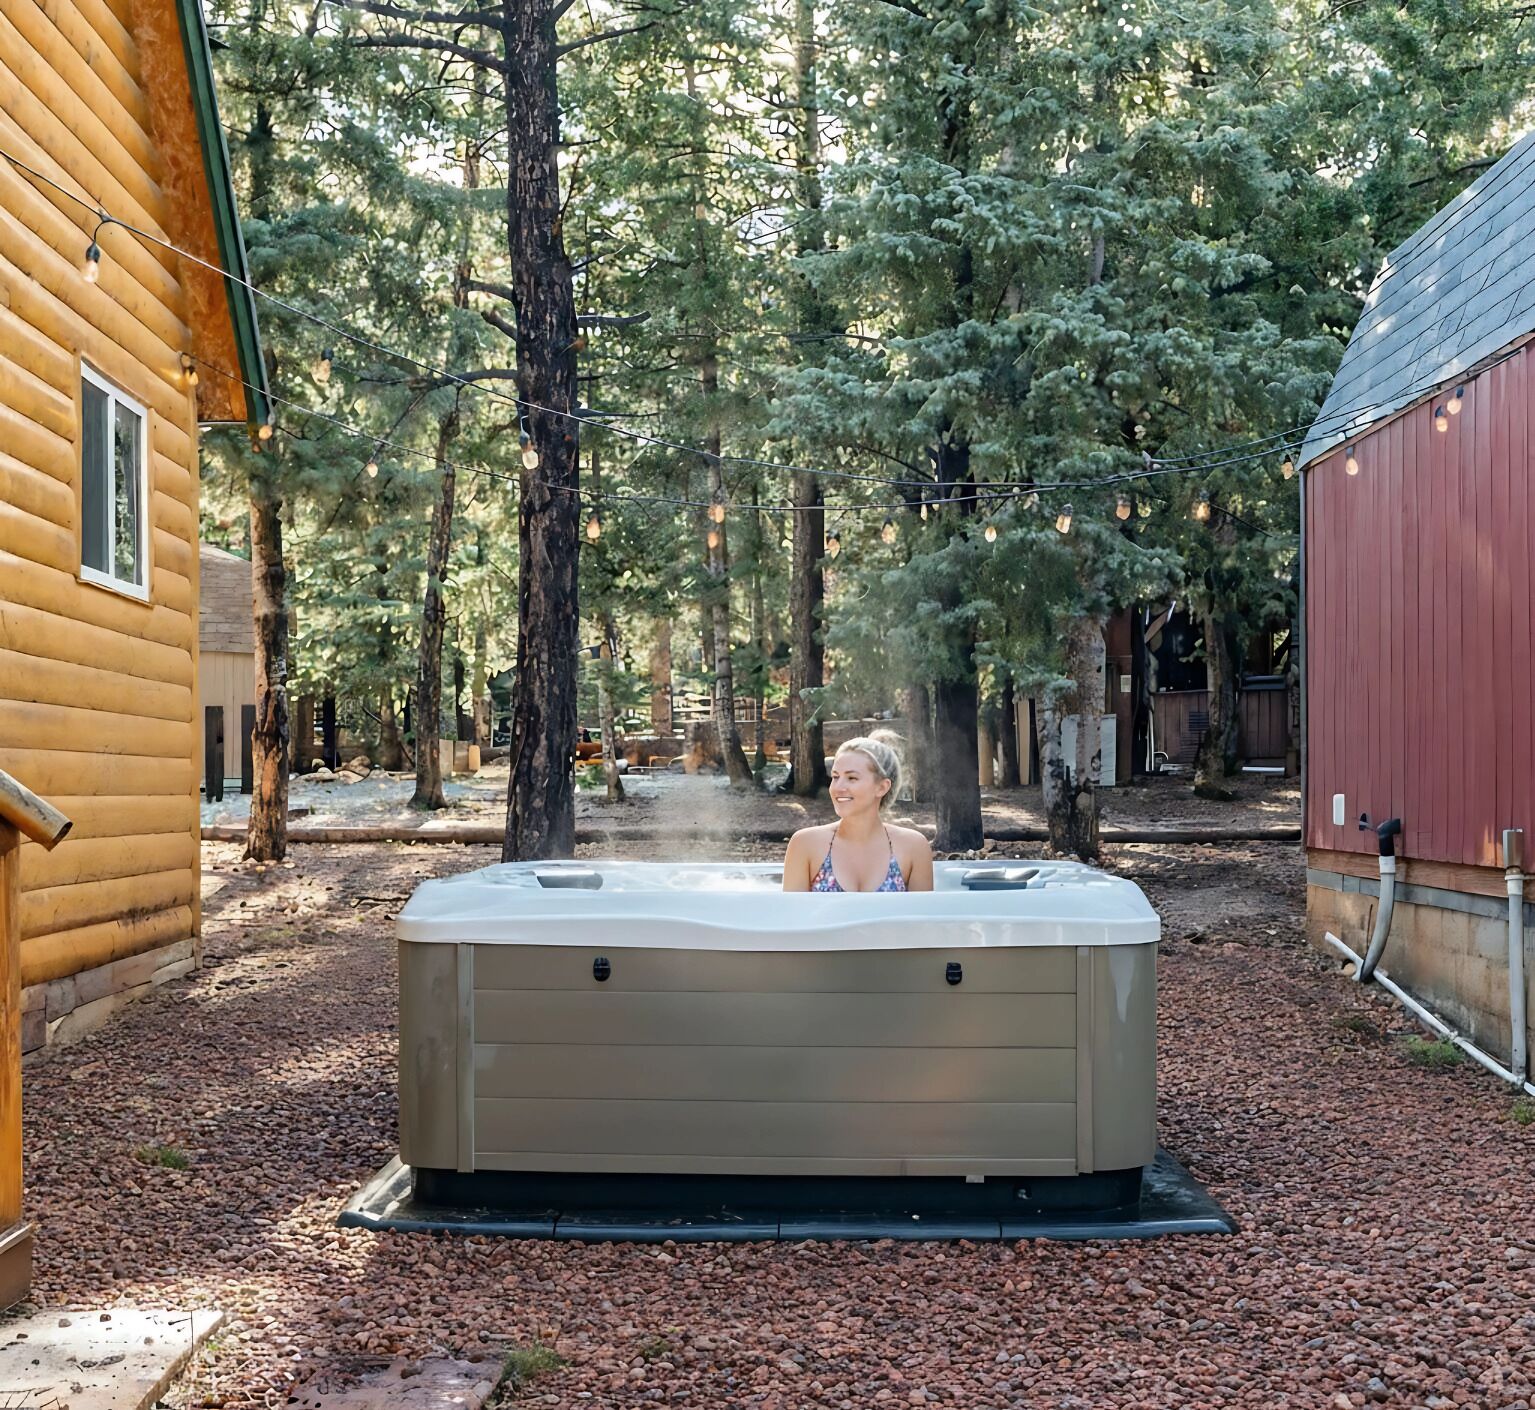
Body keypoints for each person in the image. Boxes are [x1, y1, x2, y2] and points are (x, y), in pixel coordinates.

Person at [782, 732, 934, 892]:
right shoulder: (805, 844)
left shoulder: (914, 847)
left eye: (852, 778)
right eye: (835, 776)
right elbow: (793, 915)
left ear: (882, 787)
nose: (838, 787)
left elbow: (920, 915)